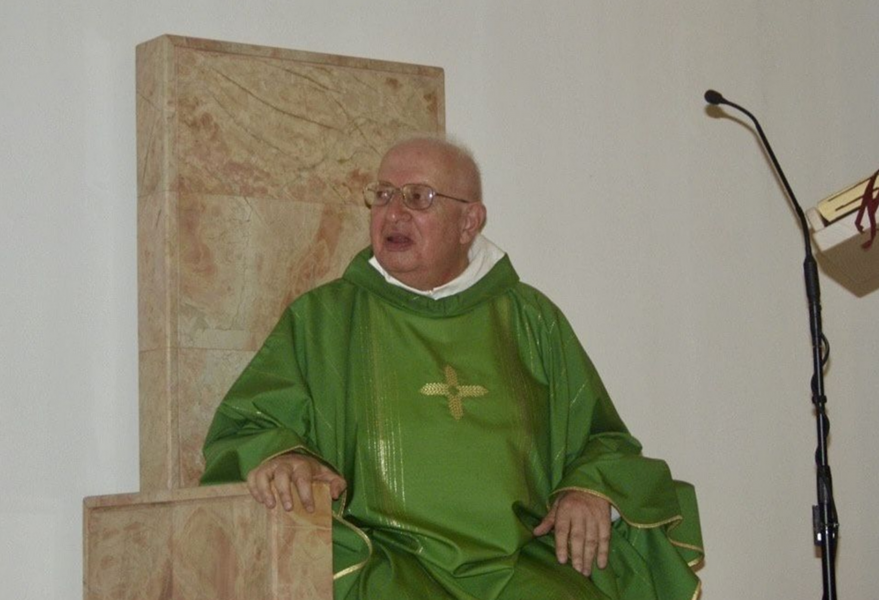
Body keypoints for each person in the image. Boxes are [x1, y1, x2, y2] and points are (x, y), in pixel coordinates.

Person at [201, 136, 704, 600]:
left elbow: (603, 438)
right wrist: (286, 456)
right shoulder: (324, 320)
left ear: (469, 222)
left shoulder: (531, 320)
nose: (393, 213)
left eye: (418, 197)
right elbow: (249, 424)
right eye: (383, 195)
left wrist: (588, 489)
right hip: (387, 563)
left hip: (519, 564)